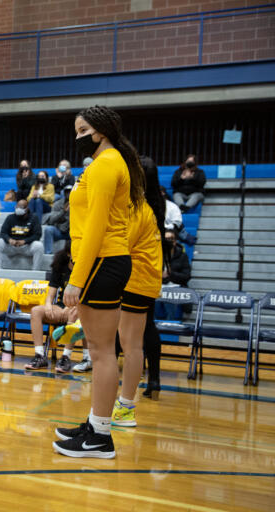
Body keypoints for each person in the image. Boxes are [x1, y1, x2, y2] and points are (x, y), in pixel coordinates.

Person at [52, 105, 145, 459]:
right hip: (102, 262)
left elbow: (96, 227)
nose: (78, 136)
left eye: (82, 129)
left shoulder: (106, 165)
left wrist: (76, 279)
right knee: (97, 349)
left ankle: (101, 437)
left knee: (103, 353)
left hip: (103, 262)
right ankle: (95, 424)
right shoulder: (107, 163)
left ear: (101, 131)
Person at [111, 156, 164, 426]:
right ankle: (123, 405)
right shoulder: (150, 204)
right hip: (143, 280)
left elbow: (121, 244)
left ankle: (125, 408)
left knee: (130, 346)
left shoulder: (137, 208)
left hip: (136, 279)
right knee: (131, 345)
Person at [25, 242, 91, 373]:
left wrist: (73, 306)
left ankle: (66, 357)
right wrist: (49, 305)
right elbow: (51, 293)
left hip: (80, 308)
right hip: (60, 307)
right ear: (68, 254)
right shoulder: (60, 266)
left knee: (76, 314)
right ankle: (40, 356)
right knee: (36, 311)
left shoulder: (87, 267)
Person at [0, 198, 44, 270]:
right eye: (17, 206)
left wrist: (25, 241)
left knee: (39, 246)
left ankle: (36, 270)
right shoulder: (10, 217)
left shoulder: (34, 218)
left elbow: (37, 235)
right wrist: (9, 240)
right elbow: (3, 233)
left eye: (21, 207)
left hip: (26, 246)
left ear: (26, 209)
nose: (18, 209)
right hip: (11, 246)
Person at [155, 228, 192, 322]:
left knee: (170, 299)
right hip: (158, 286)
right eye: (166, 239)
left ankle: (169, 328)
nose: (168, 242)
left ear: (175, 241)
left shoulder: (182, 256)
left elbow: (186, 276)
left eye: (171, 239)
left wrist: (171, 274)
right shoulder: (156, 254)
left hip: (175, 286)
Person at [42, 185, 71, 254]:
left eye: (70, 192)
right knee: (48, 229)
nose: (68, 194)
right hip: (59, 230)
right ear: (64, 193)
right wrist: (63, 211)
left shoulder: (78, 204)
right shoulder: (57, 204)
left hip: (71, 232)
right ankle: (48, 253)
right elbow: (52, 220)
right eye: (67, 192)